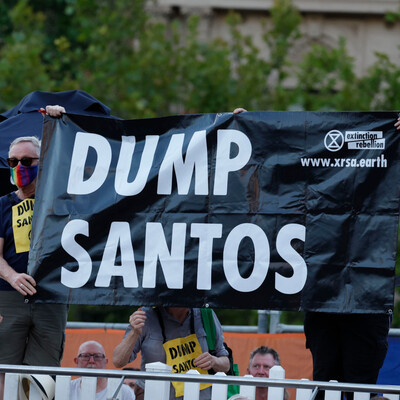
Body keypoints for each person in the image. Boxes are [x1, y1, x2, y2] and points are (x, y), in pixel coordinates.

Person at [233, 109, 400, 400]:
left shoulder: (378, 173)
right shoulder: (306, 187)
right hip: (321, 297)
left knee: (361, 390)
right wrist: (251, 129)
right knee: (326, 388)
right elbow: (265, 187)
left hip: (366, 298)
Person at [0, 105, 68, 400]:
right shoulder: (2, 204)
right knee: (4, 370)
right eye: (12, 161)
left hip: (51, 297)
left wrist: (57, 124)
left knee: (43, 380)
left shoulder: (63, 197)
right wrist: (13, 277)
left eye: (26, 160)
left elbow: (76, 160)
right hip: (9, 297)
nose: (18, 166)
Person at [113, 307, 230, 400]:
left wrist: (214, 361)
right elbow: (118, 361)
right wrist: (134, 332)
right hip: (153, 395)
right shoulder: (145, 315)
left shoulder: (205, 314)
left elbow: (225, 364)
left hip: (198, 395)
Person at [70, 340, 135, 400]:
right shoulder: (67, 389)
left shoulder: (125, 392)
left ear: (106, 362)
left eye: (97, 356)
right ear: (76, 361)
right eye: (85, 356)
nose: (91, 361)